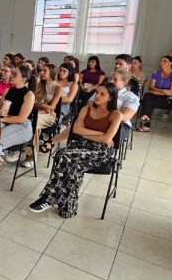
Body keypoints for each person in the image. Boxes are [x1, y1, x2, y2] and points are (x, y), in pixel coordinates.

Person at [29, 83, 122, 218]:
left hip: (99, 151)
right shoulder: (86, 109)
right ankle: (68, 208)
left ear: (110, 98)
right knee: (73, 166)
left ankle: (48, 198)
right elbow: (76, 130)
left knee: (65, 157)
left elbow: (107, 138)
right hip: (78, 145)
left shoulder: (116, 114)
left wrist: (86, 133)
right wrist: (97, 133)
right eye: (97, 92)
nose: (98, 96)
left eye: (103, 94)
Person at [0, 64, 36, 169]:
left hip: (22, 126)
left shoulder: (29, 95)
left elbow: (21, 118)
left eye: (15, 74)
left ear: (23, 79)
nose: (11, 76)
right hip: (7, 122)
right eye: (12, 74)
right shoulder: (8, 91)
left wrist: (2, 118)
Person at [137, 55, 172, 132]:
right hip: (158, 96)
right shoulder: (156, 72)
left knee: (149, 102)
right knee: (147, 95)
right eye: (161, 61)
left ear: (171, 63)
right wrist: (163, 91)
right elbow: (151, 87)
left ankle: (146, 122)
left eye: (165, 61)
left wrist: (157, 92)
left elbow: (171, 92)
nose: (161, 62)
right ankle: (146, 118)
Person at [35, 63, 62, 150]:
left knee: (34, 122)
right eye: (41, 70)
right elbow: (32, 102)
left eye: (44, 70)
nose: (41, 72)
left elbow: (51, 107)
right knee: (30, 122)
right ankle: (29, 150)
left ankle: (30, 154)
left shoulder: (57, 87)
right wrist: (42, 105)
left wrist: (39, 106)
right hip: (36, 112)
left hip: (49, 115)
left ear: (51, 72)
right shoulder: (38, 84)